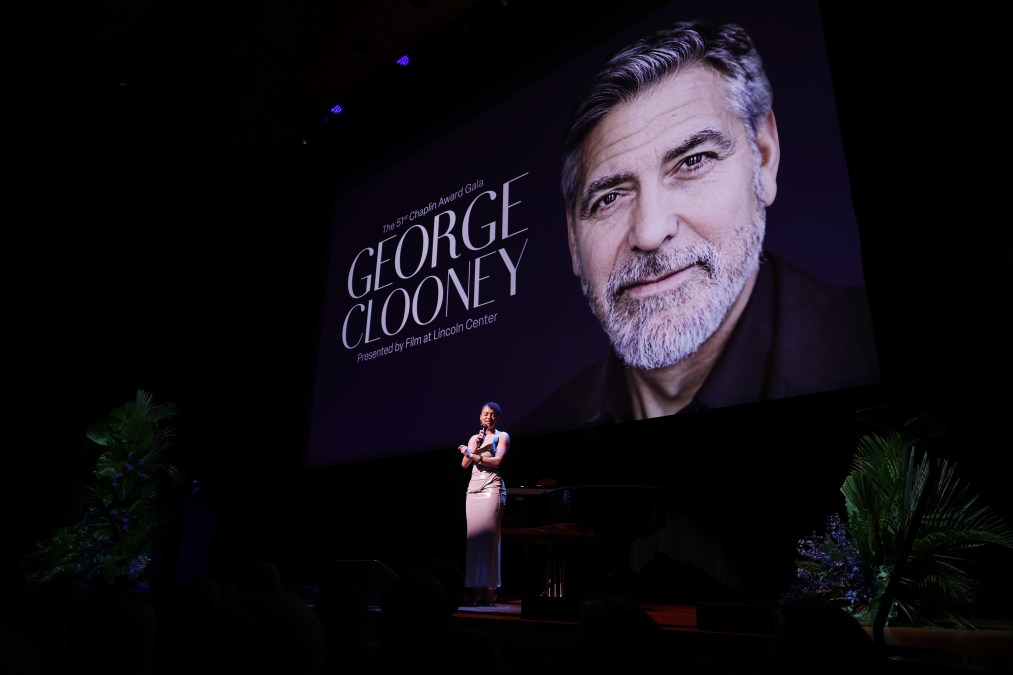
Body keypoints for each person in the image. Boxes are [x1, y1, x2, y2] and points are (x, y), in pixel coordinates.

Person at [516, 18, 879, 432]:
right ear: (572, 239)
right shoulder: (543, 430)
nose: (650, 233)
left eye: (692, 162)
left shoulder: (866, 350)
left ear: (763, 157)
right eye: (610, 198)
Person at [457, 401, 510, 606]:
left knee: (489, 540)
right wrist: (473, 448)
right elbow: (464, 464)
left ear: (498, 418)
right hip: (474, 490)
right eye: (486, 414)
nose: (489, 417)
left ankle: (487, 589)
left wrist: (474, 455)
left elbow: (497, 461)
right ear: (480, 417)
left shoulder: (502, 436)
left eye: (493, 414)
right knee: (475, 541)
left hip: (492, 488)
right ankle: (475, 586)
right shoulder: (474, 438)